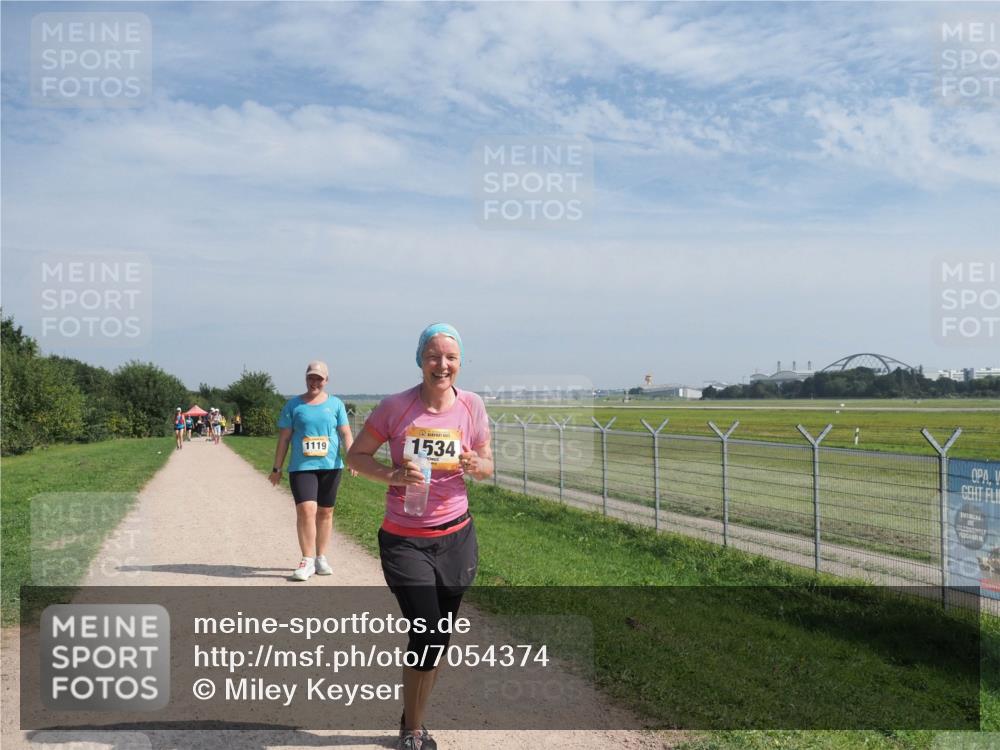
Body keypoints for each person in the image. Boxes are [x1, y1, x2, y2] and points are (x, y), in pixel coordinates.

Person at [347, 323, 493, 750]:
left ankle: (414, 719)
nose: (441, 364)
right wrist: (392, 473)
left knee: (439, 636)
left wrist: (473, 464)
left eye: (450, 357)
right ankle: (412, 731)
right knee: (427, 631)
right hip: (405, 539)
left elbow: (487, 463)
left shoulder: (472, 406)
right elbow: (355, 456)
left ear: (460, 363)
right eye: (433, 355)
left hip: (456, 537)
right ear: (419, 360)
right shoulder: (396, 407)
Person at [270, 361, 356, 581]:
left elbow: (346, 433)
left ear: (326, 380)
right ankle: (306, 560)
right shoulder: (294, 406)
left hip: (330, 466)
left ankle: (321, 557)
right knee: (307, 510)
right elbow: (285, 438)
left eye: (319, 378)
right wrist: (276, 467)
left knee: (326, 513)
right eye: (311, 377)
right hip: (302, 467)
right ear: (306, 379)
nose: (314, 382)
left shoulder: (336, 405)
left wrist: (352, 458)